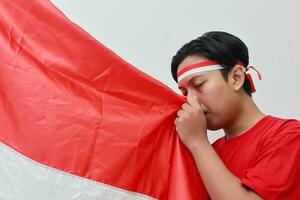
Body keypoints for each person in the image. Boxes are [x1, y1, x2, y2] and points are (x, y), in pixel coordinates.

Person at [172, 31, 300, 199]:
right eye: (184, 93)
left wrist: (197, 142)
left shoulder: (288, 136)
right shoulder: (211, 151)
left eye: (199, 84)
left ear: (237, 77)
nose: (190, 100)